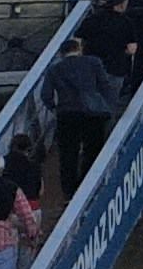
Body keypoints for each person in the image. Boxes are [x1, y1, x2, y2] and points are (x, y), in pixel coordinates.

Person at [34, 38, 123, 188]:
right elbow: (105, 85)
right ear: (79, 49)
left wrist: (55, 109)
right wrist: (106, 106)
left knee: (68, 155)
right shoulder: (93, 62)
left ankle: (69, 190)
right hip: (93, 114)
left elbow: (46, 95)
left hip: (67, 115)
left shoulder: (54, 69)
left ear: (62, 54)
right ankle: (89, 184)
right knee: (93, 150)